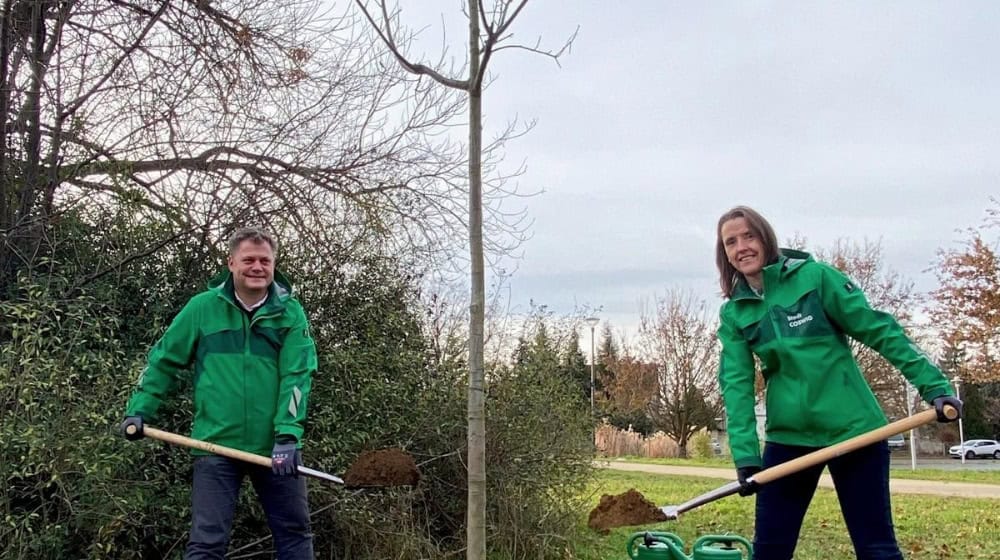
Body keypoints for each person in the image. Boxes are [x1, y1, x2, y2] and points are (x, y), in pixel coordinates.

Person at [714, 206, 962, 560]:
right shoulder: (735, 313)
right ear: (725, 254)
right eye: (731, 242)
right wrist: (746, 456)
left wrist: (934, 387)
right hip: (789, 438)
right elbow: (736, 385)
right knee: (769, 551)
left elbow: (880, 330)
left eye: (749, 236)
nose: (742, 247)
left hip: (855, 432)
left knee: (876, 549)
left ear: (766, 238)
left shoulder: (816, 278)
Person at [120, 227, 318, 559]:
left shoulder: (290, 313)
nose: (257, 267)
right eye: (249, 260)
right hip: (214, 443)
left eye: (265, 261)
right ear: (231, 263)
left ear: (274, 265)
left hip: (275, 449)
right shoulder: (201, 308)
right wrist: (139, 411)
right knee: (207, 543)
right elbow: (162, 362)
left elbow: (297, 376)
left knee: (295, 536)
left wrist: (287, 435)